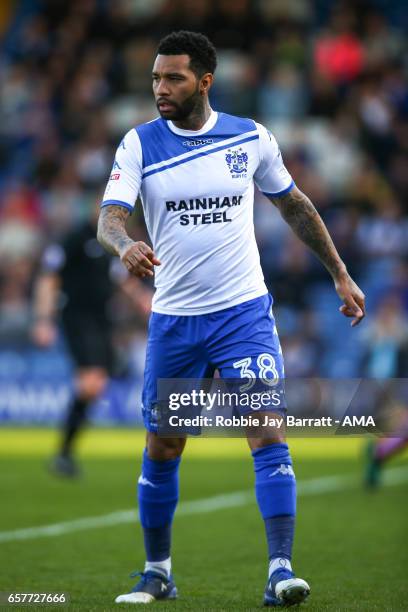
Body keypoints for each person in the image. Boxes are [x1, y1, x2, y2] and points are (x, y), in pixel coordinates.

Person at [97, 31, 365, 606]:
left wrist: (339, 272)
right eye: (155, 78)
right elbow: (110, 218)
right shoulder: (139, 144)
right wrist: (123, 247)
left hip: (243, 312)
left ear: (205, 81)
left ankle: (280, 570)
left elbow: (294, 203)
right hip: (176, 319)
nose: (160, 89)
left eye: (173, 78)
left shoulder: (249, 138)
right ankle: (157, 572)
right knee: (165, 444)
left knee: (266, 430)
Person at [32, 206, 151, 477]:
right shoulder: (75, 238)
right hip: (77, 318)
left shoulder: (109, 244)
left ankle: (64, 453)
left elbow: (121, 279)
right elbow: (48, 277)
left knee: (96, 384)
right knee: (91, 380)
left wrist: (144, 303)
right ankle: (63, 454)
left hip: (102, 322)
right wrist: (43, 318)